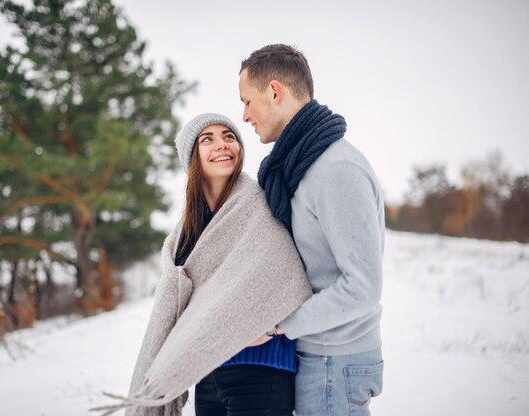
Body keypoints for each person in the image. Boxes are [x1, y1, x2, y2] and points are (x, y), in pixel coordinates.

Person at [91, 113, 311, 416]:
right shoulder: (186, 230)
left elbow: (285, 273)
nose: (221, 145)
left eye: (229, 137)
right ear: (192, 156)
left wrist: (272, 328)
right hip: (206, 373)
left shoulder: (259, 205)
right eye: (207, 139)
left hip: (260, 370)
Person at [238, 44, 385, 416]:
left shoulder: (337, 170)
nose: (244, 116)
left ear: (274, 92)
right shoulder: (302, 167)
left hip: (335, 362)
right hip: (320, 358)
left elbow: (362, 287)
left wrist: (278, 325)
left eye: (247, 101)